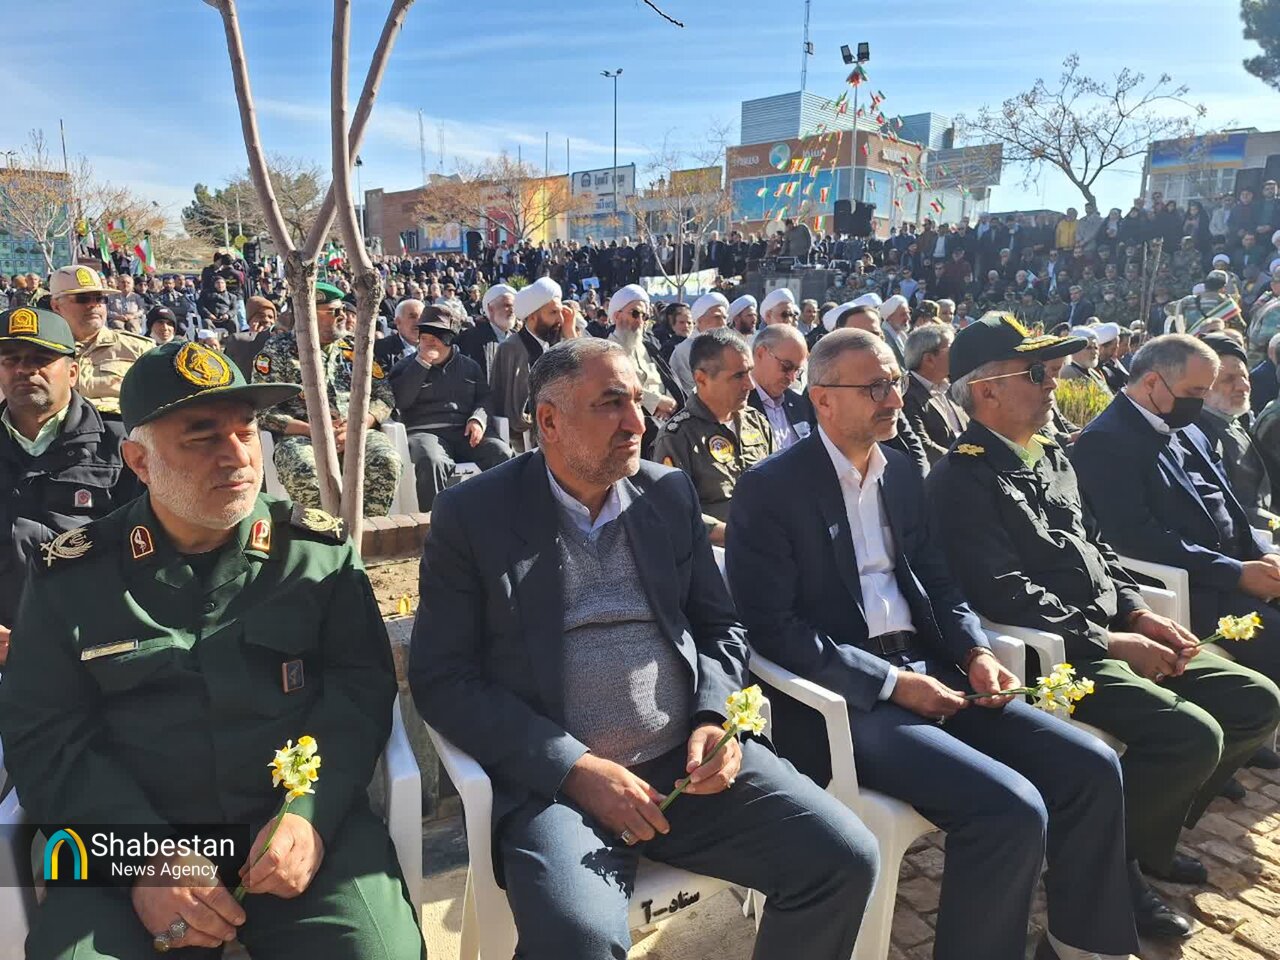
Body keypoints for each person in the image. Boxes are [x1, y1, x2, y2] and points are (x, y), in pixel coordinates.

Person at [410, 336, 879, 960]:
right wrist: (574, 768)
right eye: (611, 404)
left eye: (636, 400)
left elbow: (721, 627)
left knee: (843, 857)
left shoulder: (667, 493)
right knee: (575, 940)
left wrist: (715, 720)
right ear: (549, 421)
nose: (638, 423)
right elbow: (442, 678)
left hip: (689, 769)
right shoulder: (475, 514)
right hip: (561, 789)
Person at [0, 338, 424, 959]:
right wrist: (145, 859)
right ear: (139, 461)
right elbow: (44, 733)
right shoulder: (72, 576)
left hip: (290, 833)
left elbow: (359, 692)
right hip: (121, 845)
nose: (238, 456)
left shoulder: (316, 554)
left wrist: (309, 813)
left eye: (245, 430)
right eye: (202, 438)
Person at [727, 327, 1138, 960]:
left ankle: (1079, 945)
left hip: (932, 668)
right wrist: (891, 684)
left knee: (1091, 766)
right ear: (823, 398)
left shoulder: (901, 472)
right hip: (845, 698)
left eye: (895, 382)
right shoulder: (771, 488)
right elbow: (773, 629)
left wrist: (976, 652)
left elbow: (939, 582)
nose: (895, 398)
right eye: (875, 388)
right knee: (1010, 809)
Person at [929, 313, 1280, 940]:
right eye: (1037, 373)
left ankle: (1145, 836)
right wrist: (1112, 640)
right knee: (1191, 735)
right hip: (1057, 656)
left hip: (1114, 630)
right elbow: (1003, 592)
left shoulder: (1050, 453)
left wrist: (1140, 612)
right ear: (987, 390)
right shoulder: (960, 478)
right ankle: (1113, 872)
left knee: (1255, 700)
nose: (1053, 384)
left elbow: (1098, 552)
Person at [1072, 335, 1280, 680]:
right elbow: (1134, 537)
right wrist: (1236, 574)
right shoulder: (1106, 441)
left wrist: (1262, 553)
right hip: (1196, 588)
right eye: (1194, 392)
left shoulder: (1185, 426)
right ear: (1152, 382)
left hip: (1241, 569)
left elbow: (1226, 503)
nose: (1200, 402)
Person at [0, 306, 141, 668]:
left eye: (40, 359)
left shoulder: (120, 445)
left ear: (73, 372)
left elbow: (151, 548)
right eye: (11, 359)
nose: (24, 369)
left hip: (97, 646)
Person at [251, 282, 402, 517]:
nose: (343, 316)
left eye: (343, 309)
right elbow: (263, 410)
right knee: (304, 470)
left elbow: (384, 396)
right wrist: (314, 430)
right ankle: (324, 535)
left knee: (386, 460)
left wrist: (359, 425)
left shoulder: (355, 348)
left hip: (354, 432)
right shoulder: (277, 352)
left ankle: (364, 531)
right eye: (334, 311)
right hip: (302, 437)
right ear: (308, 315)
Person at [652, 329, 773, 546]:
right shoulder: (678, 437)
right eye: (738, 376)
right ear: (701, 379)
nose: (750, 384)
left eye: (749, 372)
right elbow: (674, 511)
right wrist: (737, 536)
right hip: (718, 555)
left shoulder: (756, 421)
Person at [389, 306, 511, 510]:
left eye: (435, 337)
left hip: (465, 432)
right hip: (425, 433)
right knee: (432, 460)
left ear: (448, 338)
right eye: (424, 337)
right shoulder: (404, 367)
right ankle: (435, 522)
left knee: (501, 453)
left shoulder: (469, 366)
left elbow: (485, 398)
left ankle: (502, 515)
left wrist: (478, 420)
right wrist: (421, 364)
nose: (429, 342)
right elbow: (400, 401)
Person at [48, 265, 153, 415]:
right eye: (82, 299)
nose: (93, 304)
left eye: (100, 298)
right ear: (56, 306)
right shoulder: (43, 352)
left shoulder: (139, 348)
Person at [1195, 333, 1275, 531]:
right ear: (1203, 386)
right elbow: (1222, 508)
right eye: (1229, 379)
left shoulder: (1233, 421)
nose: (1243, 386)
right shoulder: (1198, 435)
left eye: (1244, 377)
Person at [489, 277, 565, 453]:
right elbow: (516, 412)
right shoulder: (512, 348)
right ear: (532, 317)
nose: (561, 319)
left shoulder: (556, 344)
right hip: (532, 437)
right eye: (553, 313)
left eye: (561, 312)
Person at [903, 323, 967, 465]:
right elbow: (923, 446)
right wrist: (965, 461)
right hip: (947, 470)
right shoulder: (906, 394)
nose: (958, 354)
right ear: (929, 359)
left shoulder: (950, 386)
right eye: (952, 349)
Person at [746, 324, 812, 452]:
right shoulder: (737, 403)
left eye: (797, 371)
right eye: (786, 366)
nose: (792, 378)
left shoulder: (799, 403)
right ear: (761, 353)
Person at [669, 292, 729, 395]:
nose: (723, 323)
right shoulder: (685, 350)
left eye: (724, 318)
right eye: (717, 317)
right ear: (700, 320)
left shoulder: (729, 348)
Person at [455, 282, 515, 382]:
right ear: (490, 308)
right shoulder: (471, 338)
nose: (512, 310)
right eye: (507, 305)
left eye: (514, 306)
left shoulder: (517, 338)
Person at [225, 296, 278, 380]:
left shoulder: (279, 341)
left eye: (271, 317)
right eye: (261, 316)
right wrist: (255, 336)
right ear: (250, 319)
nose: (267, 320)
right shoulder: (237, 340)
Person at [374, 297, 424, 370]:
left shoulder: (436, 346)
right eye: (413, 317)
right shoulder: (381, 348)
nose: (419, 322)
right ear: (397, 321)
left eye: (422, 317)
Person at [1095, 322, 1129, 392]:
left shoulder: (1109, 367)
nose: (1115, 353)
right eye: (1113, 349)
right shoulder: (1093, 370)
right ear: (1101, 348)